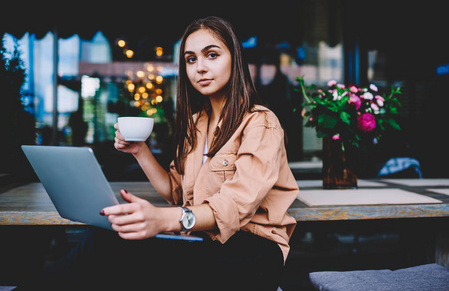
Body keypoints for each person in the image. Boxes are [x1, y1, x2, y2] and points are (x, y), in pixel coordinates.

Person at [26, 16, 299, 291]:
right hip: (205, 243)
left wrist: (163, 220)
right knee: (105, 237)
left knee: (103, 248)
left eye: (212, 55)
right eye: (191, 60)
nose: (200, 68)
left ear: (235, 59)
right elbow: (176, 192)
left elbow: (235, 205)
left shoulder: (261, 123)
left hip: (252, 254)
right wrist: (140, 151)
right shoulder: (197, 123)